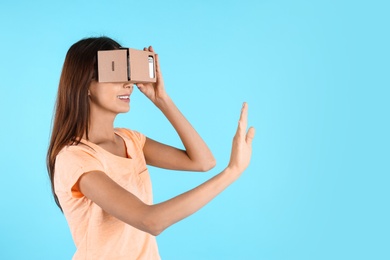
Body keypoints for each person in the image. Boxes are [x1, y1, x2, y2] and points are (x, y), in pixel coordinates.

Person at [47, 36, 255, 259]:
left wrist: (162, 99)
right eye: (115, 74)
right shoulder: (75, 157)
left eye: (128, 76)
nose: (128, 84)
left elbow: (203, 162)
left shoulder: (130, 140)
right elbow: (151, 220)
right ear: (86, 85)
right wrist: (232, 172)